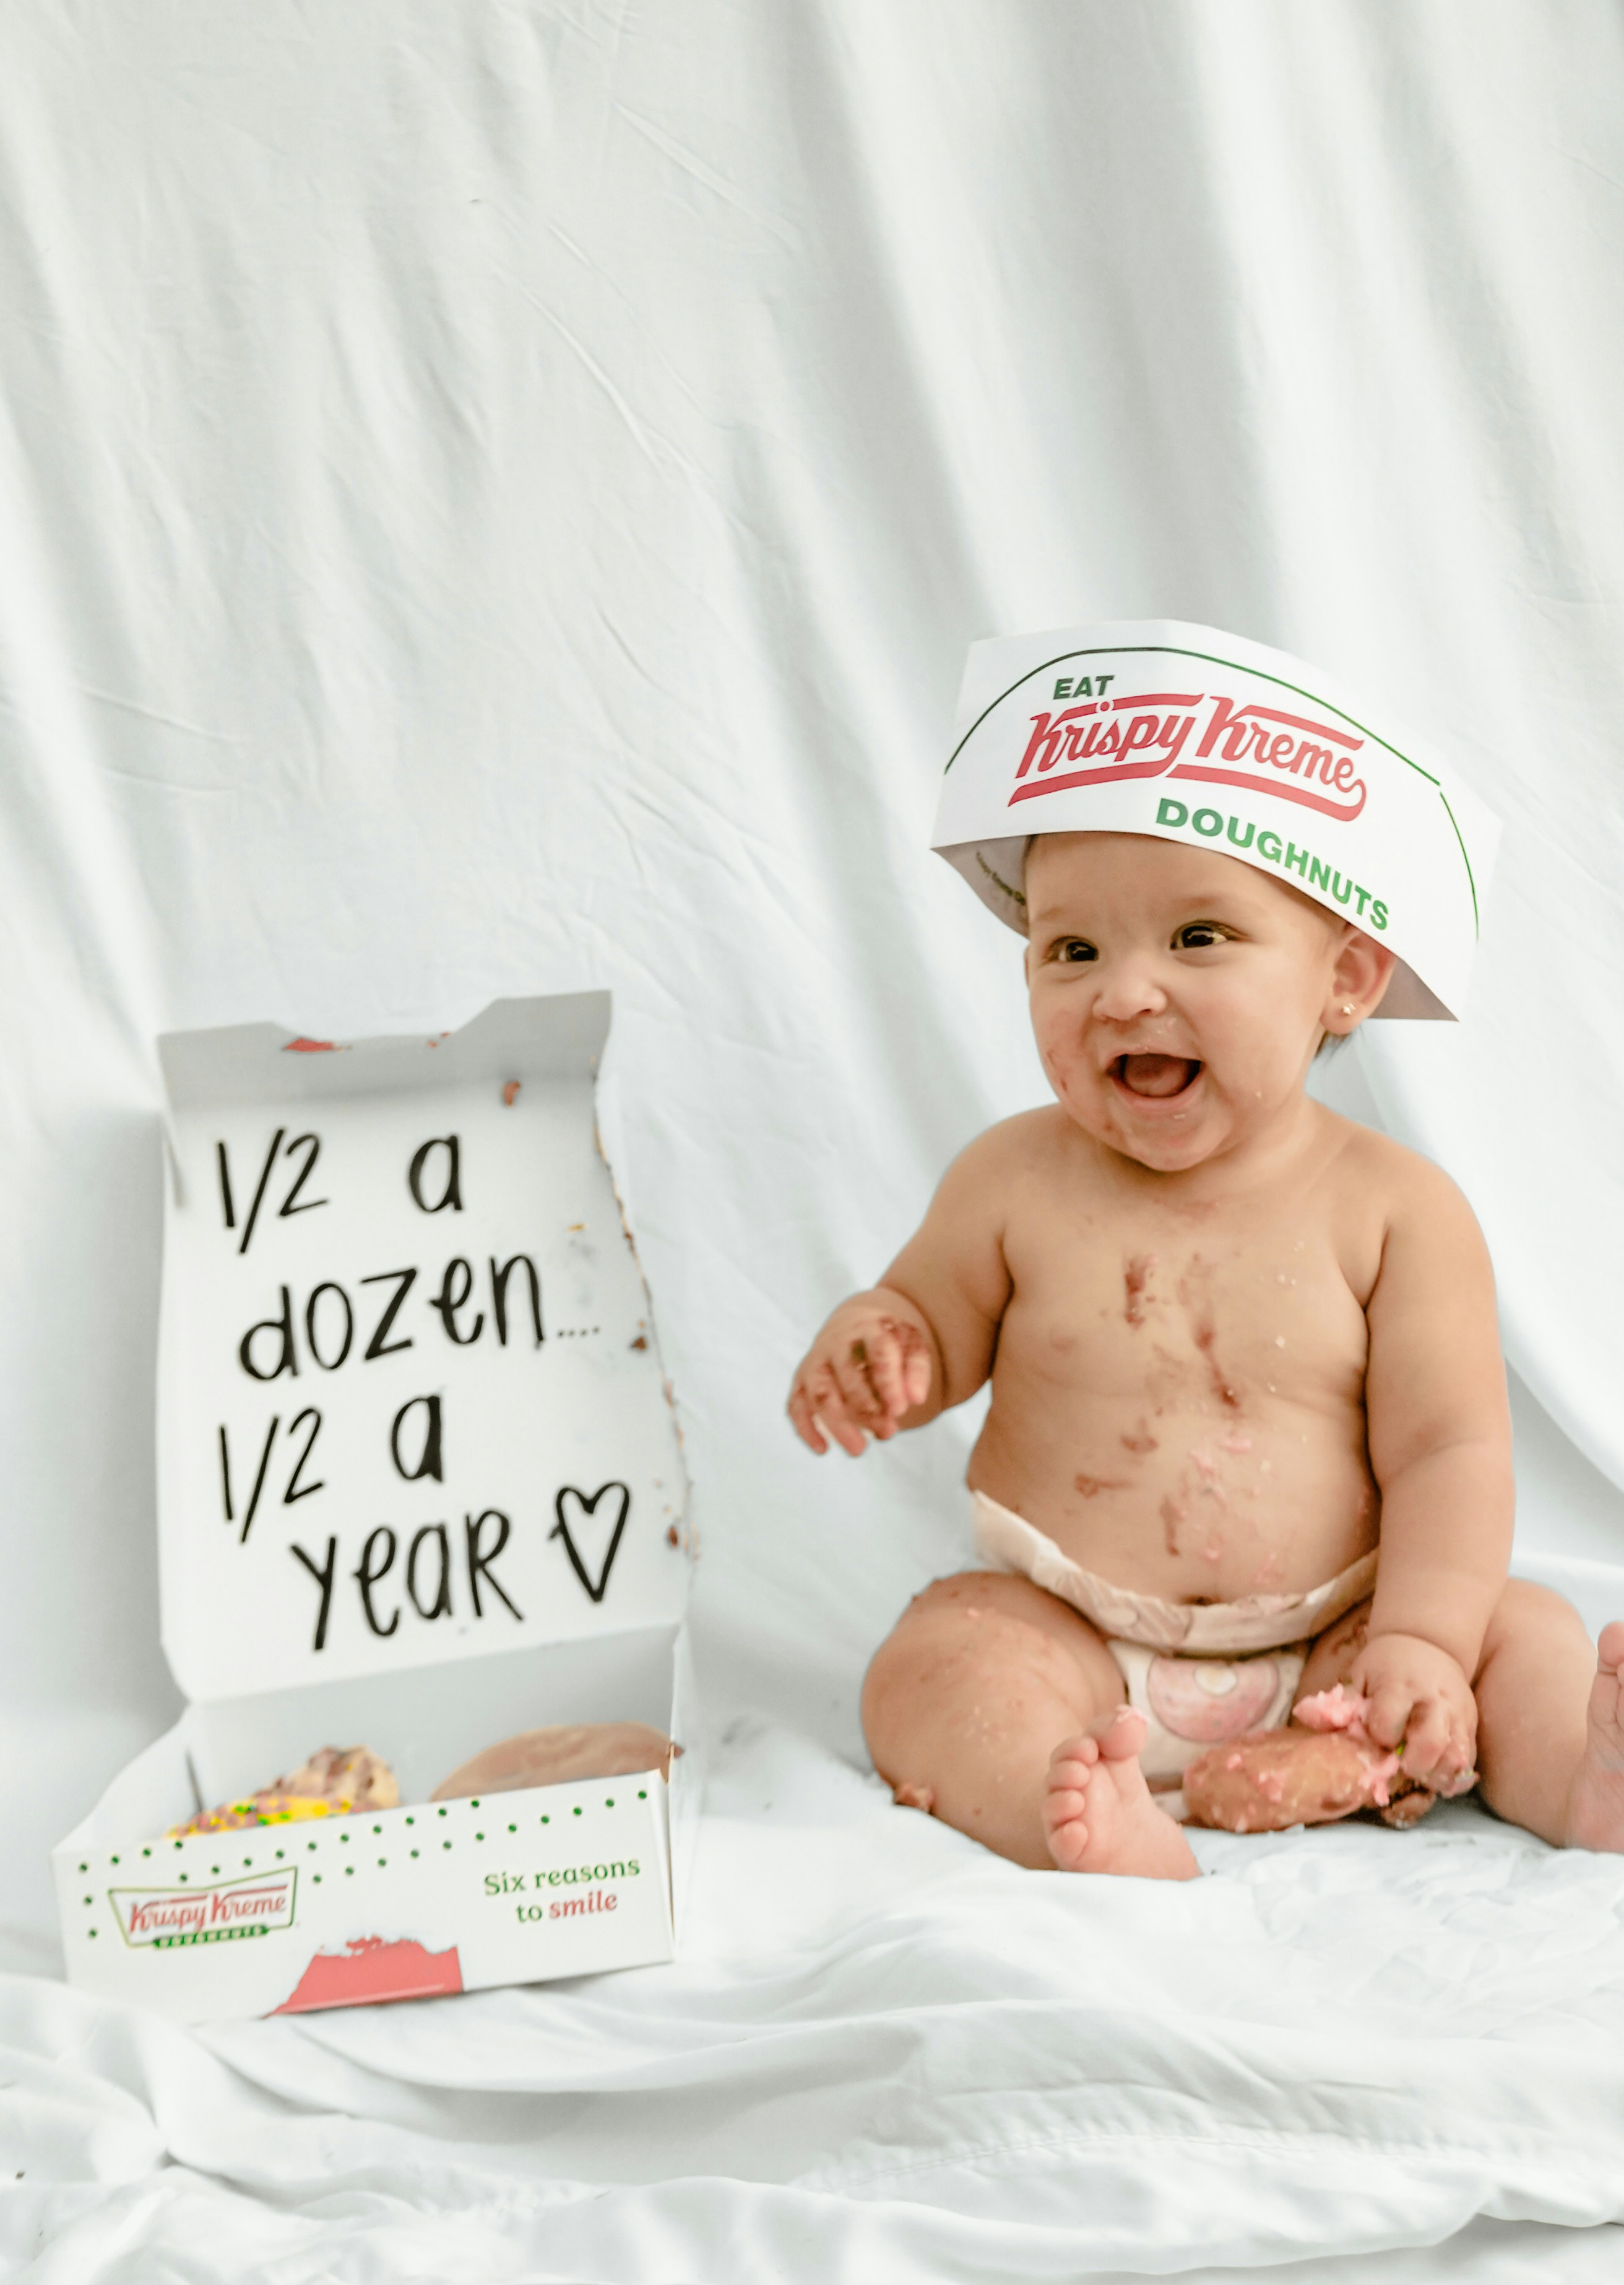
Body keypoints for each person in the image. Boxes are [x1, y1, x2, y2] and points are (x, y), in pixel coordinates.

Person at [786, 628, 1624, 1880]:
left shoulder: (1397, 1209)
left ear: (1343, 978)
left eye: (1196, 938)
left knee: (1524, 1630)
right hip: (1074, 1628)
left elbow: (1448, 1448)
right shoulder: (1012, 1177)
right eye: (1070, 950)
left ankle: (1573, 1775)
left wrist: (1422, 1639)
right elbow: (933, 1318)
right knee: (933, 1662)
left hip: (1344, 1623)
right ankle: (1085, 1814)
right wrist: (884, 1339)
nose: (1122, 993)